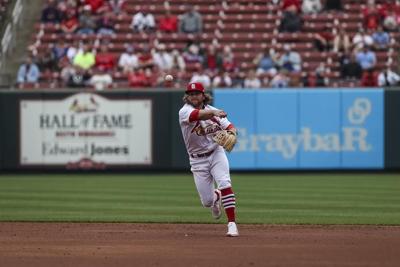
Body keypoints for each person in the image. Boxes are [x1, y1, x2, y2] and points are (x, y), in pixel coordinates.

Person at [178, 82, 239, 237]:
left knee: (225, 182)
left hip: (216, 152)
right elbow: (196, 115)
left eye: (197, 93)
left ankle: (232, 224)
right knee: (207, 202)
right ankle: (216, 197)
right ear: (187, 96)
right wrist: (214, 113)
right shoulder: (184, 111)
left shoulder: (213, 111)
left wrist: (232, 133)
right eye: (191, 94)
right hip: (197, 160)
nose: (193, 96)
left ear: (203, 95)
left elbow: (231, 126)